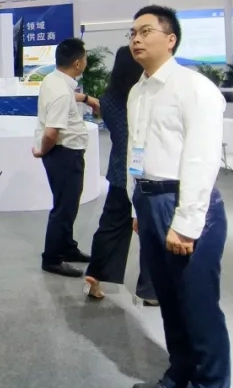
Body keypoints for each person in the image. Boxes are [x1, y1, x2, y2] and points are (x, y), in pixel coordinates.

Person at [128, 5, 230, 388]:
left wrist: (186, 223)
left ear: (170, 39)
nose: (136, 39)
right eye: (132, 33)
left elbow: (202, 159)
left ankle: (211, 382)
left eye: (145, 31)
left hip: (183, 202)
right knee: (170, 302)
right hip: (149, 200)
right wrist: (136, 205)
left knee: (198, 306)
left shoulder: (194, 88)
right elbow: (136, 152)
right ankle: (180, 375)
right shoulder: (138, 90)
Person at [83, 47, 157, 305]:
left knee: (111, 225)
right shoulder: (145, 96)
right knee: (151, 230)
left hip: (118, 171)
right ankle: (150, 290)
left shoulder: (108, 99)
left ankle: (95, 275)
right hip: (147, 172)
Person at [33, 38, 98, 278]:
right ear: (78, 63)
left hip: (63, 154)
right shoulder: (61, 91)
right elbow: (52, 133)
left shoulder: (54, 80)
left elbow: (69, 98)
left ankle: (67, 247)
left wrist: (87, 98)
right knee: (64, 208)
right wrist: (43, 150)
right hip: (65, 154)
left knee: (68, 204)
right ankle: (52, 259)